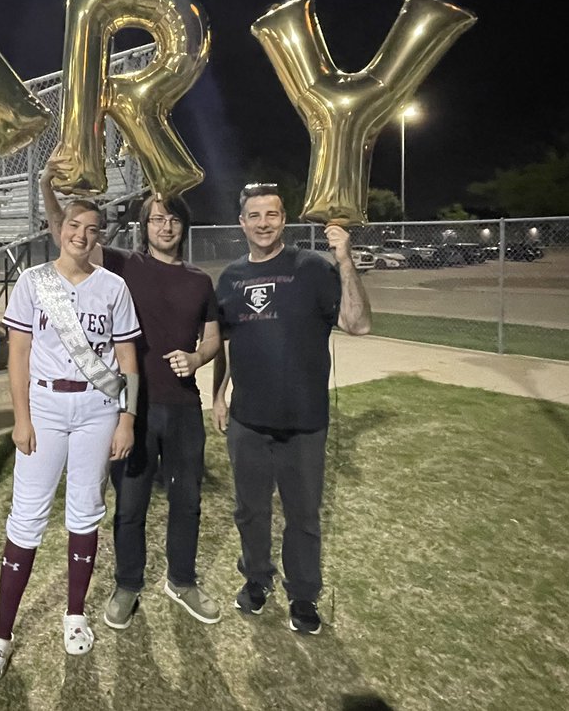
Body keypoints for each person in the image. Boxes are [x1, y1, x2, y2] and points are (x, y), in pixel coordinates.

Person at [40, 165, 222, 629]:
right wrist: (47, 189)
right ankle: (128, 584)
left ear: (184, 227)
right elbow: (69, 231)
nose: (165, 226)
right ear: (146, 227)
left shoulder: (200, 281)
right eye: (157, 218)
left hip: (183, 407)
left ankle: (181, 580)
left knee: (188, 501)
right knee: (132, 503)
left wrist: (198, 359)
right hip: (133, 410)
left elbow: (213, 339)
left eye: (173, 220)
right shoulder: (123, 265)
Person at [0, 199, 141, 683]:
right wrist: (21, 419)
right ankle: (1, 634)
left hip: (98, 408)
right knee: (27, 517)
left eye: (92, 229)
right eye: (74, 226)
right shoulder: (33, 281)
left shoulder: (114, 286)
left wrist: (127, 420)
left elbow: (127, 359)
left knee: (86, 510)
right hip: (44, 407)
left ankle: (74, 614)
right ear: (59, 229)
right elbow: (19, 354)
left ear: (100, 236)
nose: (82, 236)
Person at [211, 183, 371, 635]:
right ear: (242, 223)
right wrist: (219, 394)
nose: (263, 223)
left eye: (272, 214)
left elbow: (358, 324)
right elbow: (225, 341)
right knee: (250, 510)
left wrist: (344, 260)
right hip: (248, 420)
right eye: (254, 215)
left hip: (304, 421)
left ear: (284, 219)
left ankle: (303, 595)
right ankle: (256, 581)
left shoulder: (313, 269)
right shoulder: (231, 277)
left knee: (302, 516)